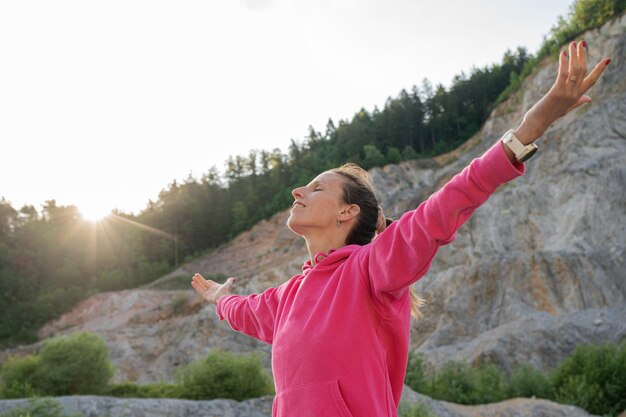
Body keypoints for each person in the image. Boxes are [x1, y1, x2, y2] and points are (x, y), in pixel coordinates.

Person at [191, 41, 610, 417]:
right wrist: (218, 296)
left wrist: (528, 130)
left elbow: (444, 206)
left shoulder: (371, 269)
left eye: (318, 188)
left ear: (346, 212)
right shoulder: (287, 297)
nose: (298, 190)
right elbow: (244, 311)